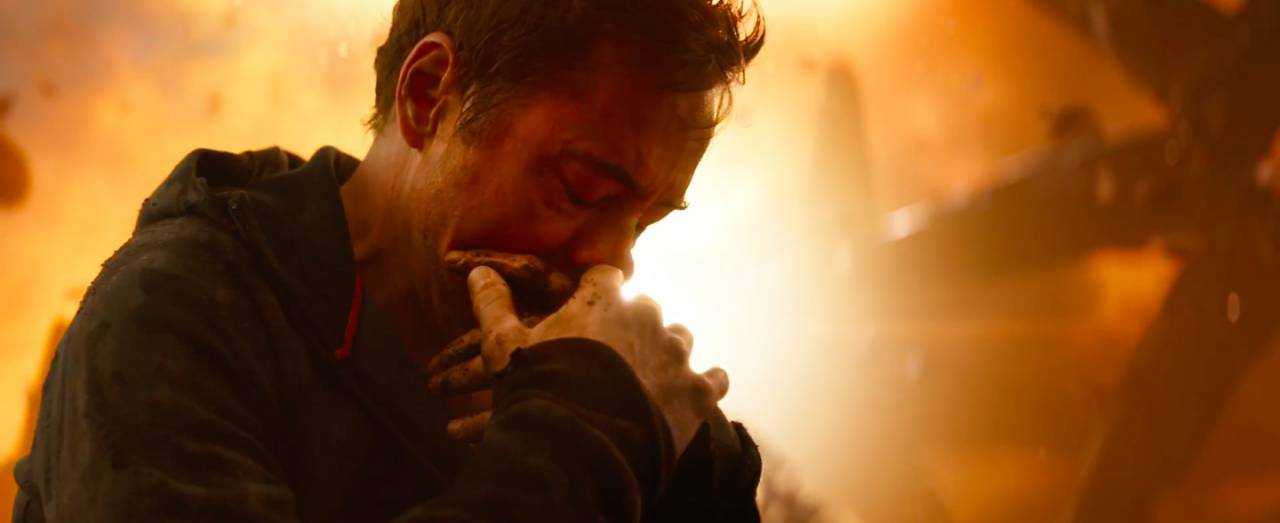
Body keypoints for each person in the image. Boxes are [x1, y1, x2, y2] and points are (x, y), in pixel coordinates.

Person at [11, 1, 765, 521]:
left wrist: (692, 468)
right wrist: (583, 444)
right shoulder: (170, 320)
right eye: (581, 188)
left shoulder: (583, 372)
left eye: (645, 222)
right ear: (428, 95)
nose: (613, 264)